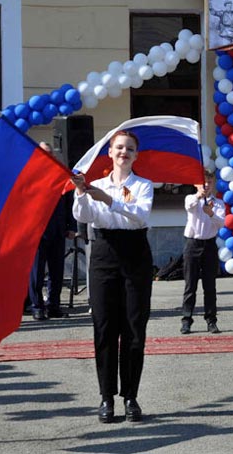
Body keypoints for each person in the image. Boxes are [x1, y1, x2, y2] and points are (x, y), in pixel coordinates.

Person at [71, 130, 154, 424]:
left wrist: (109, 200)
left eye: (129, 148)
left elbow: (141, 216)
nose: (124, 152)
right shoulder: (96, 185)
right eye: (119, 147)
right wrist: (82, 193)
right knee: (105, 328)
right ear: (109, 152)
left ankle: (130, 396)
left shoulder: (143, 185)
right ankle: (106, 397)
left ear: (136, 155)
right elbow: (83, 216)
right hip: (104, 254)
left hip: (135, 256)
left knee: (134, 328)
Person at [29, 142, 76, 320]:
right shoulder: (29, 176)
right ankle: (37, 306)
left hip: (58, 230)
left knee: (57, 272)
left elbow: (69, 202)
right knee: (37, 273)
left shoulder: (61, 175)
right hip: (36, 232)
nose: (47, 156)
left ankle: (53, 306)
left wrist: (71, 227)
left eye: (49, 153)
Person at [180, 169, 226, 335]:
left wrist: (211, 213)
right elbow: (189, 207)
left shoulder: (218, 203)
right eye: (203, 183)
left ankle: (211, 320)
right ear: (197, 184)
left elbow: (221, 223)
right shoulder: (191, 198)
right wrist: (199, 196)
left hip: (209, 245)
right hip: (193, 244)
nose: (206, 185)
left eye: (210, 182)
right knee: (190, 285)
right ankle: (186, 320)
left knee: (210, 285)